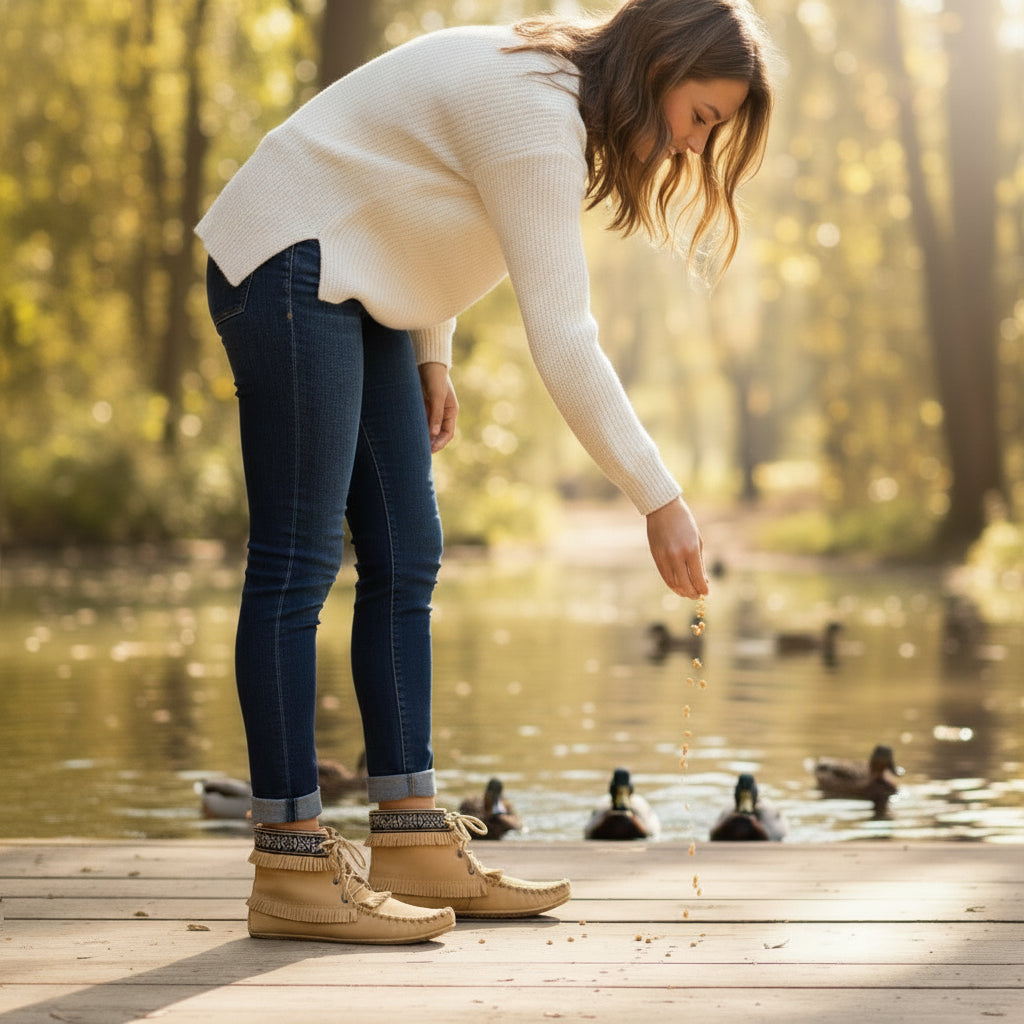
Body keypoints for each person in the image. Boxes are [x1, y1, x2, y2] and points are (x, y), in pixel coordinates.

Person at [196, 0, 775, 944]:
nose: (688, 148)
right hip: (287, 255)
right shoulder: (539, 109)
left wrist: (434, 352)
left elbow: (414, 193)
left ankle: (412, 838)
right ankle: (291, 865)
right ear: (661, 62)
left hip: (353, 272)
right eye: (699, 118)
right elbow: (565, 339)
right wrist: (658, 497)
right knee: (299, 559)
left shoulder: (556, 95)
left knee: (408, 553)